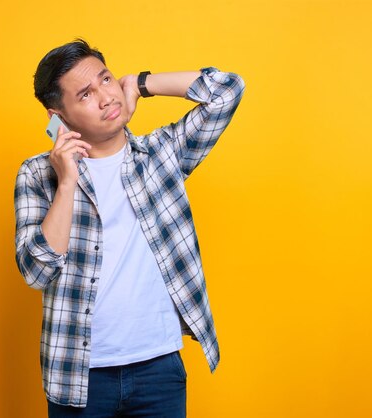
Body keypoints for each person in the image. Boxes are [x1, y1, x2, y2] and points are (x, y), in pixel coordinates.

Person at [14, 39, 245, 417]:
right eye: (86, 94)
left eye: (105, 80)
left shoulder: (162, 154)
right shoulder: (39, 174)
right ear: (60, 116)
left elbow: (227, 90)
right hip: (78, 375)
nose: (106, 97)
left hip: (158, 367)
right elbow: (37, 271)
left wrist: (140, 83)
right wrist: (67, 182)